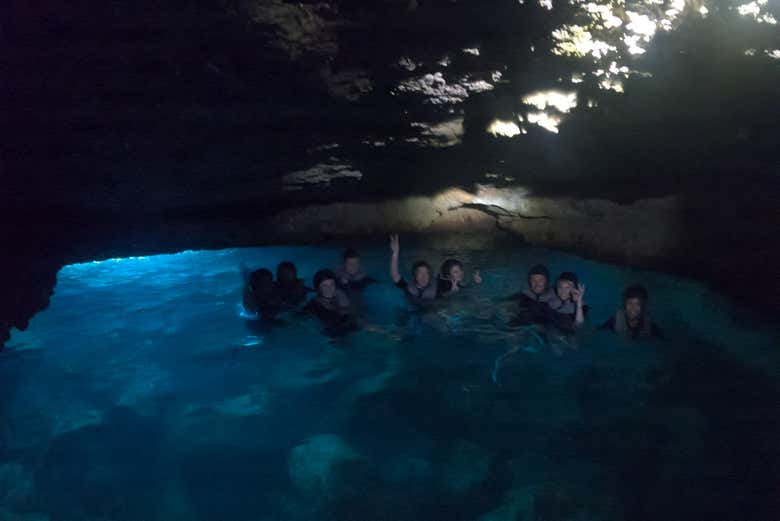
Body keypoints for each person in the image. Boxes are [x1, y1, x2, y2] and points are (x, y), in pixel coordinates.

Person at [303, 269, 358, 336]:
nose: (329, 289)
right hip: (333, 337)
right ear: (318, 288)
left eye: (332, 284)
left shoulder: (337, 297)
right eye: (324, 286)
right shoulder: (314, 305)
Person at [389, 234, 437, 306]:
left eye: (426, 273)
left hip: (430, 310)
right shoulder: (409, 287)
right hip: (411, 311)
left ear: (429, 275)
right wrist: (395, 254)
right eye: (420, 273)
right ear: (415, 275)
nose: (423, 276)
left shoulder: (436, 288)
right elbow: (395, 276)